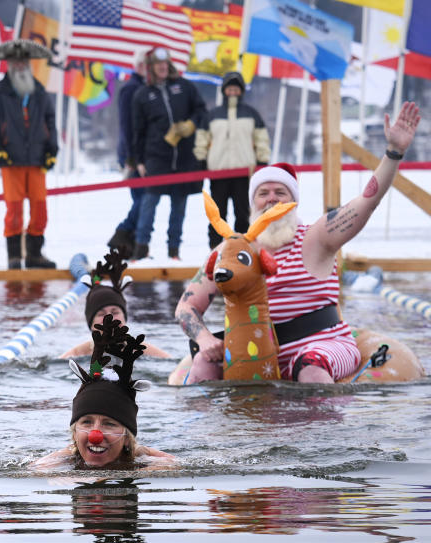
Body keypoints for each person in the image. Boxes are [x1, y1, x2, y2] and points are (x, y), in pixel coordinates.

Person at [174, 101, 421, 384]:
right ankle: (208, 429)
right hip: (258, 353)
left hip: (322, 344)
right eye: (263, 193)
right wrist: (204, 339)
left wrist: (394, 152)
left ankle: (325, 427)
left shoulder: (318, 236)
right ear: (252, 204)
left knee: (310, 367)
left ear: (293, 202)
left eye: (281, 192)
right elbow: (186, 307)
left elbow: (368, 200)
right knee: (203, 366)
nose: (272, 199)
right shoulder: (232, 250)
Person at [33, 316, 173, 469]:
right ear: (74, 434)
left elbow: (173, 464)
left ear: (127, 438)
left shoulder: (139, 458)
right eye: (86, 422)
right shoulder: (71, 456)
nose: (95, 435)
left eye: (109, 423)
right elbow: (35, 468)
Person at [0, 41, 58, 270]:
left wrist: (52, 149)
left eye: (23, 61)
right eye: (15, 61)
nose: (20, 65)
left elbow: (50, 120)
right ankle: (14, 256)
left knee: (40, 209)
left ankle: (34, 254)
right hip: (11, 159)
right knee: (13, 209)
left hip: (36, 159)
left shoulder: (39, 89)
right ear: (8, 64)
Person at [131, 47, 207, 260]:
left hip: (184, 157)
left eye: (165, 64)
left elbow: (201, 110)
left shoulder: (185, 87)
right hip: (156, 156)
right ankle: (141, 249)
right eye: (158, 65)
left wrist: (191, 124)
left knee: (179, 206)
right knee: (149, 203)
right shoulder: (143, 95)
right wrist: (139, 160)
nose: (163, 68)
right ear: (152, 68)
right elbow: (138, 130)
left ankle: (174, 251)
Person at [194, 71, 271, 249]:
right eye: (230, 88)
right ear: (224, 91)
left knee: (242, 214)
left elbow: (261, 140)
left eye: (236, 89)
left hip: (244, 173)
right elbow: (202, 140)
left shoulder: (252, 114)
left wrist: (262, 161)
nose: (233, 92)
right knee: (217, 215)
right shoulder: (212, 115)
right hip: (218, 172)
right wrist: (200, 160)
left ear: (242, 91)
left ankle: (242, 249)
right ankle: (214, 249)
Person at [59, 248, 171, 359]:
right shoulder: (77, 355)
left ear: (125, 318)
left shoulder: (145, 352)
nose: (109, 318)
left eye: (115, 311)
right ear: (91, 324)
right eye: (101, 314)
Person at [107, 49, 148, 259]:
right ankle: (122, 235)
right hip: (132, 154)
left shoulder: (146, 88)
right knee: (143, 199)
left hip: (143, 153)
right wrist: (131, 158)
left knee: (144, 201)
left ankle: (129, 244)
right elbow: (126, 126)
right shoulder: (130, 89)